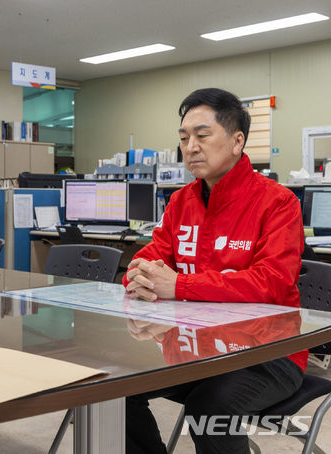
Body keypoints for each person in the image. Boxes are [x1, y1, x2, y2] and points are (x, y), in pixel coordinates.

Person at [122, 88, 307, 454]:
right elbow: (149, 256)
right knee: (113, 390)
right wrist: (139, 275)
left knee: (208, 409)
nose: (190, 147)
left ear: (237, 141)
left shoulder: (278, 202)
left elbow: (272, 283)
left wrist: (180, 285)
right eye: (184, 137)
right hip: (193, 347)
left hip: (268, 353)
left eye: (202, 136)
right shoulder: (181, 201)